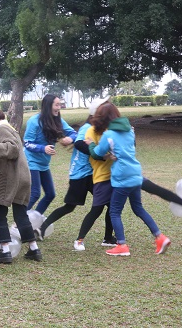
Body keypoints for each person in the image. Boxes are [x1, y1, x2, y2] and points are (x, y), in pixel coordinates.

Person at [88, 102, 170, 256]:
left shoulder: (109, 135)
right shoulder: (130, 131)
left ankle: (122, 245)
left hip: (122, 177)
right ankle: (160, 237)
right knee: (138, 208)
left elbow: (98, 153)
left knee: (114, 212)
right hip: (135, 174)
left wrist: (91, 144)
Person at [35, 97, 116, 250]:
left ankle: (108, 237)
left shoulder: (100, 128)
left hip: (93, 174)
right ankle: (41, 228)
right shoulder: (87, 127)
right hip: (80, 175)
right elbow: (78, 143)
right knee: (70, 206)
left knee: (111, 204)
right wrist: (97, 154)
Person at [0, 104, 42, 264]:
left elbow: (12, 149)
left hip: (10, 179)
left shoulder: (1, 128)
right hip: (23, 176)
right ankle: (34, 248)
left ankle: (5, 250)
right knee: (20, 214)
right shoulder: (9, 127)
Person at [24, 94, 77, 214]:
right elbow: (27, 143)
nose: (59, 107)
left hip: (44, 163)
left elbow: (74, 133)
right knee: (35, 193)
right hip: (31, 161)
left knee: (50, 194)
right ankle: (19, 222)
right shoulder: (34, 121)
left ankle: (35, 219)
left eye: (60, 104)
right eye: (57, 105)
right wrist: (43, 148)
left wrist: (70, 139)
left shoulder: (58, 120)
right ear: (48, 106)